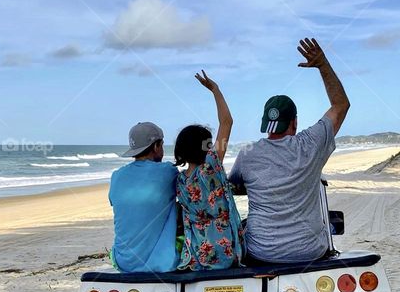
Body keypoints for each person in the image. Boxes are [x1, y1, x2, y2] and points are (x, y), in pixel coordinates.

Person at [229, 37, 350, 264]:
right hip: (310, 251)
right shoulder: (311, 144)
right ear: (294, 122)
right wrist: (323, 64)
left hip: (262, 253)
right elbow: (341, 105)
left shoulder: (247, 154)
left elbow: (232, 185)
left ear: (265, 124)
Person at [174, 71, 244, 270]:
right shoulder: (210, 168)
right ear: (206, 147)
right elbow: (227, 122)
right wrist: (216, 90)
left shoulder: (179, 181)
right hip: (226, 251)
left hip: (196, 255)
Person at [108, 121, 179, 272]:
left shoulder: (116, 176)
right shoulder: (168, 171)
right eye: (162, 145)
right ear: (155, 146)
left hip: (122, 262)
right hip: (160, 264)